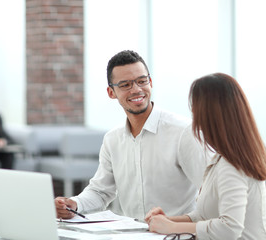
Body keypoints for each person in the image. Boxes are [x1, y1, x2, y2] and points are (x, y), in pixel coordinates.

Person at [55, 50, 209, 221]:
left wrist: (183, 224)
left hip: (179, 235)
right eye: (125, 85)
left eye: (142, 81)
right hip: (132, 234)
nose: (136, 89)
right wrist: (75, 204)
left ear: (150, 82)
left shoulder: (183, 132)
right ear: (111, 92)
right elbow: (100, 192)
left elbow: (211, 191)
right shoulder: (112, 140)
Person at [145, 73, 266, 239]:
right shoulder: (222, 158)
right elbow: (206, 215)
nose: (194, 119)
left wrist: (171, 227)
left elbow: (230, 228)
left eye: (195, 110)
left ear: (209, 116)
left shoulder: (232, 166)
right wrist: (167, 220)